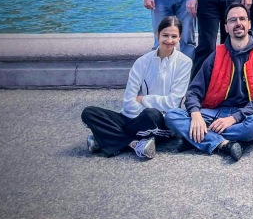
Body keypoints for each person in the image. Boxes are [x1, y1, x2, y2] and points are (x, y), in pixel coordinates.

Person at [164, 3, 253, 161]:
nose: (238, 23)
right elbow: (194, 91)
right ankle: (222, 143)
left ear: (250, 24)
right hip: (213, 112)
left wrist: (233, 118)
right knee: (171, 115)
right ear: (226, 27)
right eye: (232, 20)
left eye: (242, 19)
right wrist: (195, 115)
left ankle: (198, 136)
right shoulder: (216, 54)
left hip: (245, 115)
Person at [82, 16, 192, 159]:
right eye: (165, 35)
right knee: (89, 112)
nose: (169, 40)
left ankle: (103, 138)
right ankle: (133, 144)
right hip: (134, 116)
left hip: (160, 120)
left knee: (151, 114)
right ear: (157, 34)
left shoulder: (185, 63)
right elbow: (128, 101)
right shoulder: (142, 62)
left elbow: (172, 103)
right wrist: (137, 113)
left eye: (174, 36)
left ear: (180, 38)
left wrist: (143, 99)